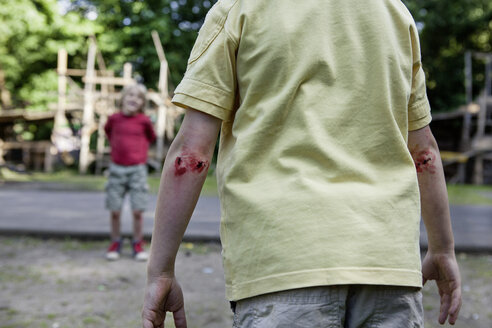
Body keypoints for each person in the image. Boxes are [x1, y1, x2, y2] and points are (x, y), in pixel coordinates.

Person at [143, 0, 462, 327]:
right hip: (387, 266)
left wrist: (161, 269)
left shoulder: (239, 10)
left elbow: (192, 154)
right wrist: (442, 249)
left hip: (282, 264)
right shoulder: (394, 13)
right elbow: (424, 153)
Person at [104, 83, 156, 261]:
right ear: (123, 98)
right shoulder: (114, 119)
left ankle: (137, 243)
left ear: (142, 103)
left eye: (138, 97)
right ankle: (115, 242)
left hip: (137, 170)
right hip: (117, 168)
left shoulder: (144, 121)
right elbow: (108, 133)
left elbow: (151, 137)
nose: (134, 99)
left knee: (137, 210)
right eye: (130, 95)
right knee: (115, 210)